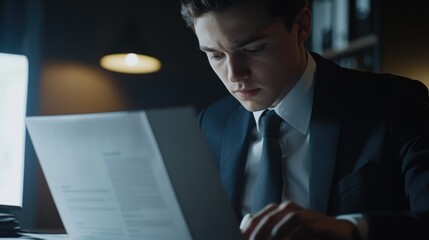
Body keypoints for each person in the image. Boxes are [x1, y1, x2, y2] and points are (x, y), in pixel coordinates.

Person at [179, 0, 429, 239]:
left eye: (253, 49)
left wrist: (349, 229)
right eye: (216, 56)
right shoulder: (211, 123)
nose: (235, 75)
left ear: (302, 25)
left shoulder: (396, 103)